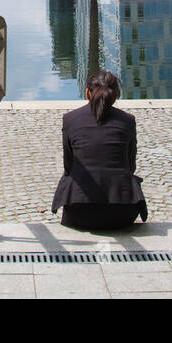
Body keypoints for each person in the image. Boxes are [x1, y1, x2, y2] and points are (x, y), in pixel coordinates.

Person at [51, 71, 148, 231]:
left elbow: (69, 167)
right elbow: (131, 166)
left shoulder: (70, 119)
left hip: (79, 211)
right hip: (123, 212)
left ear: (87, 93)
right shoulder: (127, 121)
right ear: (116, 95)